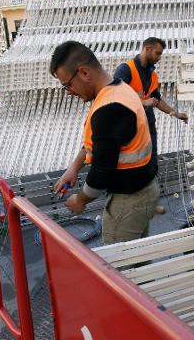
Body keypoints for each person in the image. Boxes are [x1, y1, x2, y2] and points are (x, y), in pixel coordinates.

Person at [52, 41, 159, 244]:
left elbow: (101, 173)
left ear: (84, 73)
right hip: (143, 192)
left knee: (119, 270)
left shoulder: (109, 109)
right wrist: (74, 167)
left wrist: (80, 201)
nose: (69, 92)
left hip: (129, 200)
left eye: (68, 85)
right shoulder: (118, 89)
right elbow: (100, 143)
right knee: (136, 264)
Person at [114, 37, 188, 177]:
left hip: (148, 124)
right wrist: (143, 102)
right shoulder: (126, 70)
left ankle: (151, 187)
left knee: (151, 163)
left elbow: (157, 100)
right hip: (130, 126)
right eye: (157, 53)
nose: (159, 58)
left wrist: (176, 114)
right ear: (147, 49)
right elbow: (115, 98)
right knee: (135, 165)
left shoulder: (152, 75)